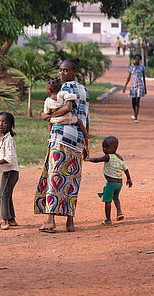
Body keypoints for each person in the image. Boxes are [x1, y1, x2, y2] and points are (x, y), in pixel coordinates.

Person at [35, 58, 89, 233]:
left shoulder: (63, 89)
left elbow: (67, 109)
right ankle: (70, 222)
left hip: (61, 138)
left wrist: (48, 116)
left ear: (74, 70)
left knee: (54, 176)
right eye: (60, 70)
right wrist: (86, 142)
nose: (61, 73)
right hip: (77, 141)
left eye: (65, 70)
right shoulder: (83, 89)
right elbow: (86, 118)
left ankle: (50, 221)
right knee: (72, 179)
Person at [87, 136, 132, 225]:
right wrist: (129, 179)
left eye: (107, 147)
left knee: (107, 201)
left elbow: (97, 160)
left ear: (114, 148)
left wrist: (87, 159)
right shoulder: (119, 157)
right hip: (119, 184)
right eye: (103, 147)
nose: (104, 149)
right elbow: (125, 168)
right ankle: (119, 212)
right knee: (116, 198)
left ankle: (108, 219)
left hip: (111, 184)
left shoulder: (108, 157)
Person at [123, 54, 147, 123]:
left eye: (138, 59)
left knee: (137, 101)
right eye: (136, 59)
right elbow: (129, 77)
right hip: (133, 86)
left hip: (140, 85)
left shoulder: (142, 67)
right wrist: (125, 86)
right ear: (134, 59)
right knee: (133, 101)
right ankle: (134, 112)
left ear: (140, 60)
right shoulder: (131, 67)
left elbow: (144, 78)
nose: (137, 60)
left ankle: (136, 117)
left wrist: (145, 88)